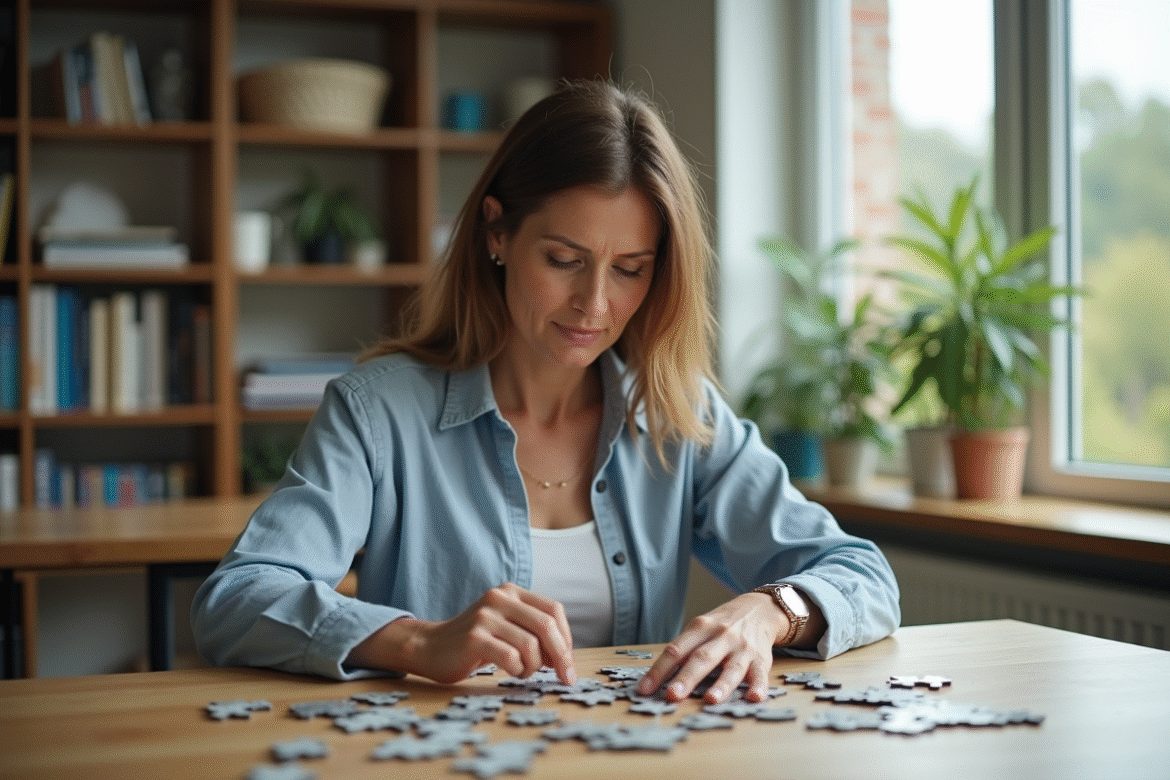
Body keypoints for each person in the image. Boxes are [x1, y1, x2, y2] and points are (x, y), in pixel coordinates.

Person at [192, 79, 899, 705]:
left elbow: (863, 575)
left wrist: (771, 611)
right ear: (497, 232)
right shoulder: (377, 413)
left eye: (630, 269)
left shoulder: (679, 416)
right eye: (564, 260)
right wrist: (418, 642)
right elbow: (237, 599)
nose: (595, 303)